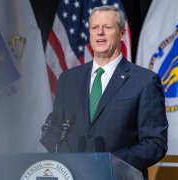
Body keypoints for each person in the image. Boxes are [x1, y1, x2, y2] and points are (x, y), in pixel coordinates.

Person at [44, 5, 168, 179]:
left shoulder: (145, 81)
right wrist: (74, 164)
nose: (100, 33)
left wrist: (110, 162)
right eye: (95, 28)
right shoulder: (68, 79)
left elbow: (155, 143)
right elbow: (55, 132)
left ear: (122, 34)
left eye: (107, 27)